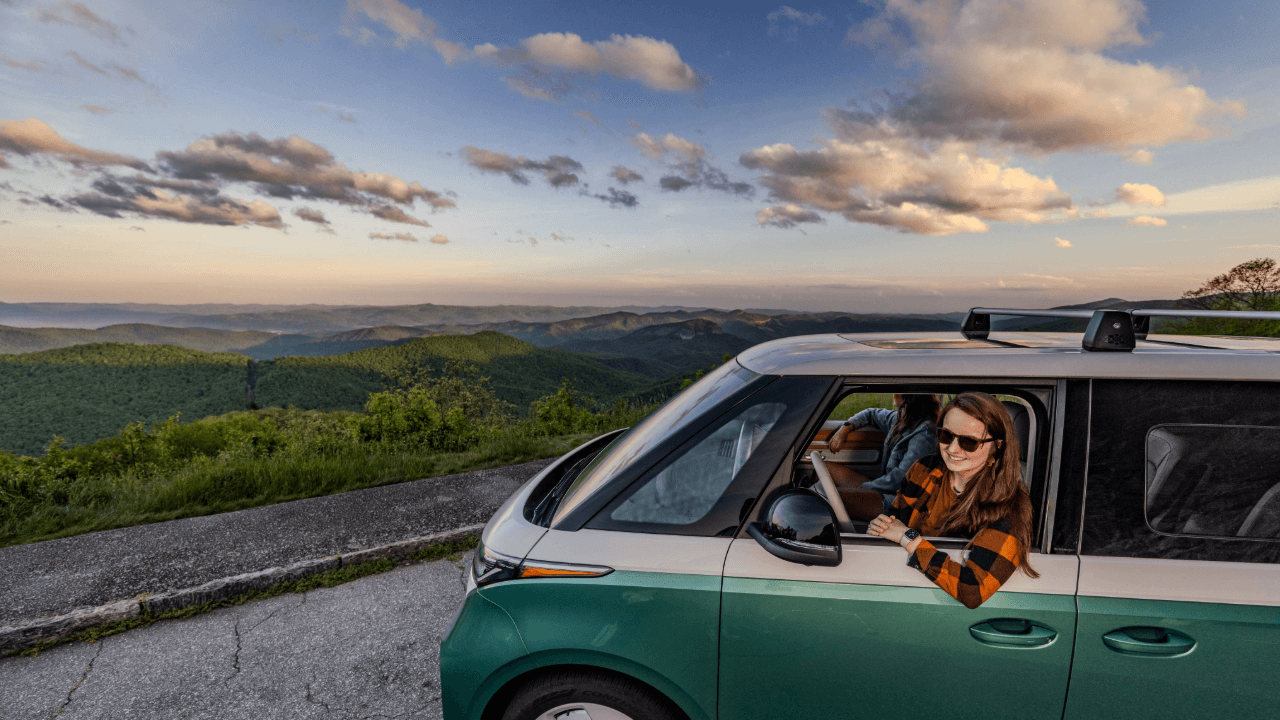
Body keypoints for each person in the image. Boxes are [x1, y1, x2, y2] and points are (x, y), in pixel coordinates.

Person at [866, 392, 1038, 609]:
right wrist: (882, 527)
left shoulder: (1010, 508)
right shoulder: (924, 469)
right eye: (946, 435)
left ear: (998, 447)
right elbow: (894, 521)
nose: (952, 449)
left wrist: (907, 537)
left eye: (969, 442)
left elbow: (973, 590)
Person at [825, 393, 940, 518]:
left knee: (831, 499)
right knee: (826, 469)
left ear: (909, 396)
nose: (893, 392)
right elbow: (870, 413)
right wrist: (845, 429)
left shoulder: (925, 433)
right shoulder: (902, 418)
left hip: (902, 502)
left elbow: (901, 479)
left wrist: (865, 487)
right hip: (887, 488)